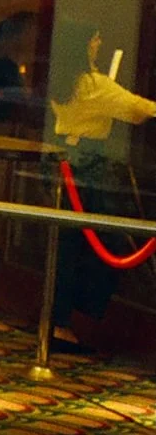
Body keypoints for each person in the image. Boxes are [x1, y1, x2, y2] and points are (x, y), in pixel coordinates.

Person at [48, 25, 156, 348]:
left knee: (67, 246)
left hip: (64, 158)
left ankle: (59, 319)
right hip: (85, 166)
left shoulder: (64, 78)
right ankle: (68, 320)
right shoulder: (92, 84)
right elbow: (138, 109)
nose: (98, 42)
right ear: (84, 45)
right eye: (94, 37)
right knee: (101, 242)